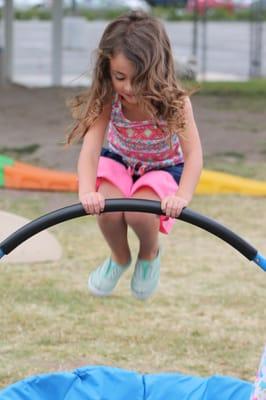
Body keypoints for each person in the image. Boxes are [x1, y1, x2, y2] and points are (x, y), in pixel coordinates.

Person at [67, 10, 203, 300]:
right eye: (119, 77)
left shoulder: (176, 103)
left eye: (138, 79)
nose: (127, 87)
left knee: (141, 214)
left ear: (157, 70)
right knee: (108, 208)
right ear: (108, 70)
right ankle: (119, 257)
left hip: (163, 169)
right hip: (119, 161)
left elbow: (194, 157)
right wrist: (85, 191)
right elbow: (90, 149)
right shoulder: (109, 97)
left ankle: (148, 253)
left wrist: (183, 197)